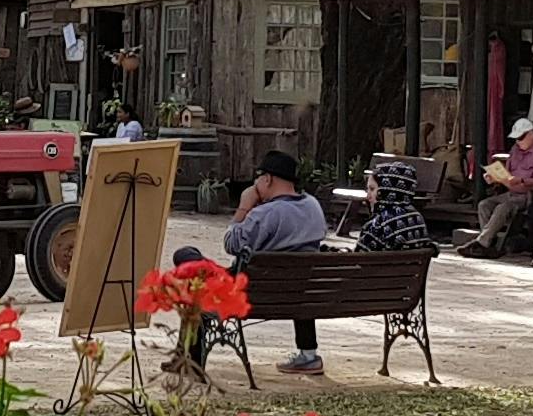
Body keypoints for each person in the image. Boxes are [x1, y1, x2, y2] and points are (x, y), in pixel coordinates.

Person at [174, 148, 329, 376]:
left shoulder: (265, 213)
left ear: (267, 179)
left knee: (186, 256)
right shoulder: (313, 206)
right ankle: (308, 354)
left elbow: (231, 243)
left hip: (248, 293)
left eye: (258, 178)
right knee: (299, 272)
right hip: (299, 294)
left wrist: (245, 206)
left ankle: (189, 358)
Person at [459, 117, 533, 257]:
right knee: (484, 204)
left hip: (527, 194)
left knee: (502, 208)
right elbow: (507, 173)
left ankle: (481, 243)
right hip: (510, 191)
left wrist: (522, 180)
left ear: (531, 134)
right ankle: (489, 243)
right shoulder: (515, 149)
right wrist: (494, 177)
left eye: (521, 137)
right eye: (516, 138)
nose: (518, 141)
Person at [356, 156, 433, 254]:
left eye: (372, 189)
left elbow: (359, 259)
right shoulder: (417, 219)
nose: (368, 196)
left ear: (386, 190)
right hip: (413, 269)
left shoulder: (378, 225)